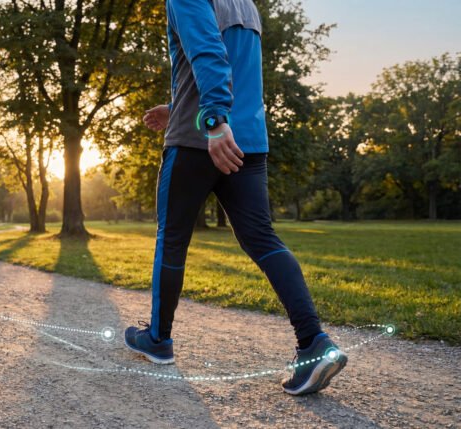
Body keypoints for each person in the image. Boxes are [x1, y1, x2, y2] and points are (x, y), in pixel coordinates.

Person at [123, 0, 347, 395]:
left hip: (201, 140)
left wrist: (212, 120)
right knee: (263, 239)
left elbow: (209, 54)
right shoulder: (245, 4)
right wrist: (180, 107)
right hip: (247, 140)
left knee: (171, 238)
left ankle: (158, 339)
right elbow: (236, 73)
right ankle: (313, 341)